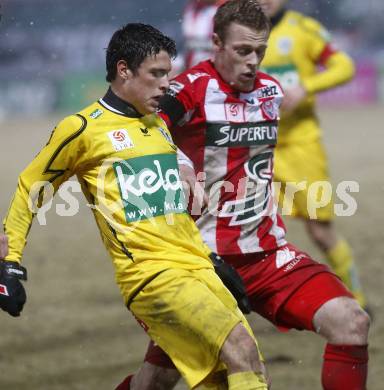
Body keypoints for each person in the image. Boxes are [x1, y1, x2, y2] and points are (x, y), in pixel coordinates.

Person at [0, 23, 269, 390]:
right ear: (123, 70)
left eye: (168, 76)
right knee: (241, 350)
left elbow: (167, 212)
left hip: (194, 268)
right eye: (157, 75)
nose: (166, 85)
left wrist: (210, 259)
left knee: (216, 379)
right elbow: (31, 186)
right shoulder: (82, 129)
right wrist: (9, 263)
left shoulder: (157, 125)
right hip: (151, 276)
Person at [116, 2, 370, 390]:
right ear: (215, 42)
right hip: (203, 266)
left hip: (267, 255)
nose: (253, 62)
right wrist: (180, 163)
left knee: (351, 321)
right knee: (157, 380)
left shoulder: (270, 91)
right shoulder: (188, 90)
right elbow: (140, 130)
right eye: (243, 51)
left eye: (260, 51)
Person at [258, 0, 367, 308]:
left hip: (300, 146)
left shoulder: (302, 30)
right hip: (255, 147)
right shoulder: (241, 31)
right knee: (257, 230)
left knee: (320, 232)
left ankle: (356, 298)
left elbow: (344, 66)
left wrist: (306, 87)